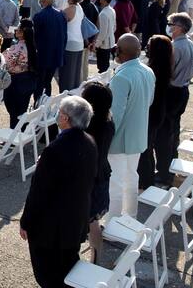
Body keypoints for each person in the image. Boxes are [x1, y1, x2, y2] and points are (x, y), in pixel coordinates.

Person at [20, 96, 97, 287]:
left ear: (65, 119)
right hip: (75, 222)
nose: (57, 115)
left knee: (48, 276)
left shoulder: (54, 151)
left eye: (60, 112)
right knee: (68, 269)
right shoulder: (89, 142)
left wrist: (26, 222)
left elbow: (39, 193)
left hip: (51, 229)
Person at [106, 33, 155, 220]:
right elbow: (149, 101)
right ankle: (130, 216)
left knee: (116, 181)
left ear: (121, 52)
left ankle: (114, 220)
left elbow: (115, 114)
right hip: (138, 133)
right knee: (131, 178)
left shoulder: (122, 76)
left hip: (121, 137)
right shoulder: (147, 71)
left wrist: (106, 137)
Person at [158, 13, 193, 184]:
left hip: (172, 91)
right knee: (173, 130)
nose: (169, 26)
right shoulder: (190, 43)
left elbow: (168, 71)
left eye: (171, 23)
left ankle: (165, 172)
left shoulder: (175, 46)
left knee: (164, 133)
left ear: (179, 27)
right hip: (183, 90)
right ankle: (171, 165)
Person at [80, 82, 115, 263]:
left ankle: (95, 259)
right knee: (93, 220)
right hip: (102, 174)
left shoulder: (90, 127)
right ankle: (96, 256)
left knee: (91, 221)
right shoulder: (108, 121)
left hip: (90, 179)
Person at [138, 35, 172, 189]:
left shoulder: (153, 70)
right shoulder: (164, 66)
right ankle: (148, 178)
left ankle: (145, 180)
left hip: (152, 112)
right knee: (148, 146)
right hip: (159, 111)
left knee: (145, 148)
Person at [4, 19, 38, 130]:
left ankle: (13, 137)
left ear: (22, 32)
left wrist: (5, 52)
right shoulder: (32, 45)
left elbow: (7, 64)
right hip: (29, 79)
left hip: (16, 81)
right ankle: (21, 131)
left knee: (13, 110)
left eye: (17, 29)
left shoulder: (17, 48)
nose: (16, 31)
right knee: (22, 109)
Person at [32, 0, 67, 98]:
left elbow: (35, 38)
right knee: (47, 81)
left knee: (40, 82)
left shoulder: (39, 16)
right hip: (57, 53)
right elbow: (65, 36)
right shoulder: (61, 14)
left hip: (43, 54)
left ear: (44, 0)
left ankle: (38, 105)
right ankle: (45, 104)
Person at [58, 0, 85, 91]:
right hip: (79, 42)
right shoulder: (79, 8)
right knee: (75, 74)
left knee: (66, 75)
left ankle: (66, 97)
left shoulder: (69, 10)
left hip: (70, 43)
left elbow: (59, 23)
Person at [94, 0, 116, 73]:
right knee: (106, 67)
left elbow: (102, 32)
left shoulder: (103, 14)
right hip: (111, 41)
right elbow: (114, 27)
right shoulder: (112, 10)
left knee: (102, 68)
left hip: (103, 44)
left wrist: (97, 44)